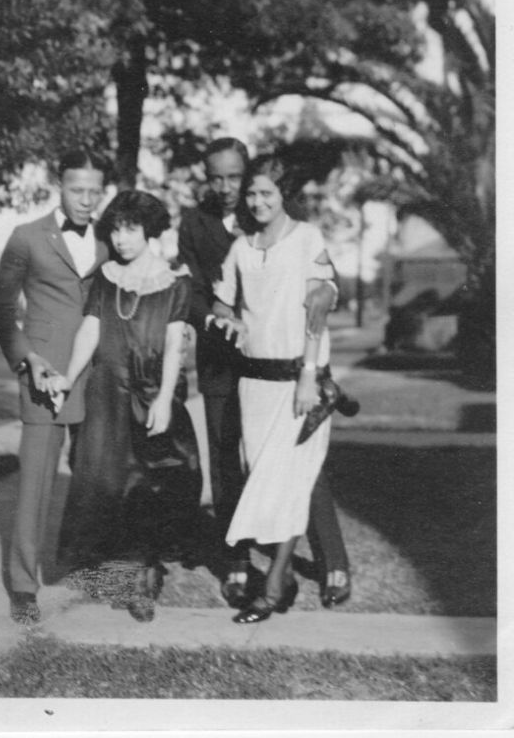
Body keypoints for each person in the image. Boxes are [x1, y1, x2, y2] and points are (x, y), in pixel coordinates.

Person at [179, 139, 351, 610]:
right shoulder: (210, 231)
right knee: (244, 468)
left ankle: (307, 568)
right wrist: (221, 318)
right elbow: (203, 292)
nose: (237, 192)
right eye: (220, 179)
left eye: (245, 182)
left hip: (296, 372)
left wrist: (310, 371)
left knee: (297, 469)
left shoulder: (300, 231)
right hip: (236, 371)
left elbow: (321, 294)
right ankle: (245, 565)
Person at [46, 191, 201, 622]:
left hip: (152, 390)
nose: (121, 238)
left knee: (153, 481)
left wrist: (167, 399)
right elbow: (89, 333)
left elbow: (174, 346)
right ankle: (131, 574)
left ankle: (145, 569)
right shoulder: (104, 278)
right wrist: (68, 377)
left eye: (130, 228)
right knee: (111, 484)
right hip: (106, 393)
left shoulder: (175, 282)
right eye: (114, 229)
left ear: (149, 230)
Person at [0, 148, 108, 624]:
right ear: (59, 185)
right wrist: (28, 360)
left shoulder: (107, 241)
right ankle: (22, 586)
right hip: (46, 376)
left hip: (98, 373)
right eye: (77, 190)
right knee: (35, 481)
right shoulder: (27, 237)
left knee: (99, 475)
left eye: (94, 192)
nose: (86, 200)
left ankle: (89, 568)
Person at [177, 137, 252, 606]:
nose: (226, 187)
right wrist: (211, 319)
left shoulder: (264, 210)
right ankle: (237, 561)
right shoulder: (193, 223)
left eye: (235, 177)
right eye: (216, 177)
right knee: (224, 461)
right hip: (218, 356)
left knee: (268, 454)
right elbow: (192, 289)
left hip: (269, 359)